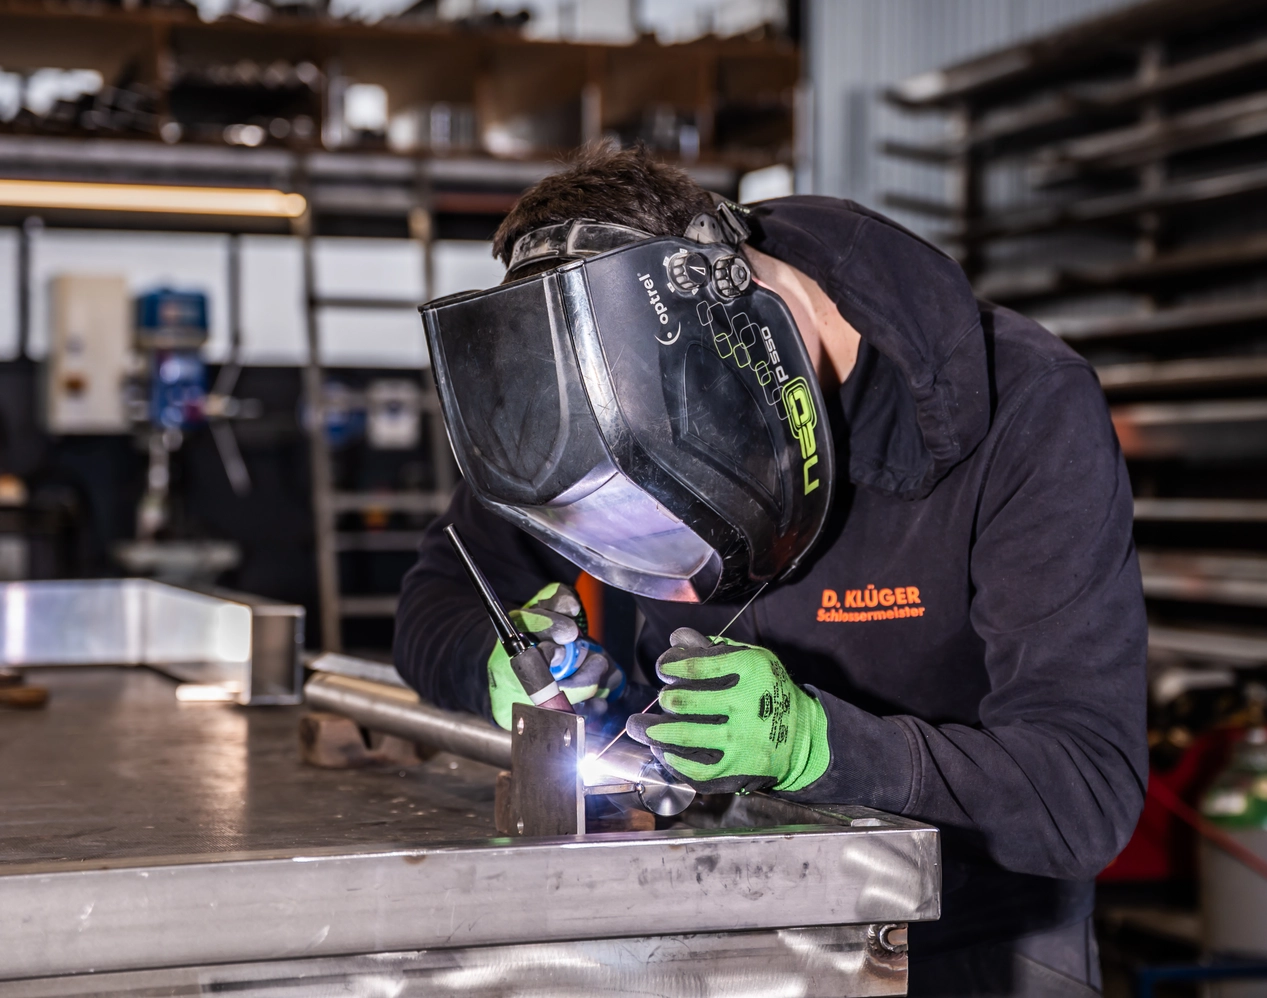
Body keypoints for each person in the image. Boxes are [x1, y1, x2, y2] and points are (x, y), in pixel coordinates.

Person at [395, 145, 1146, 997]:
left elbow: (1084, 796)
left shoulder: (1029, 409)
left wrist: (819, 748)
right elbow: (437, 601)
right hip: (722, 917)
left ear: (744, 349)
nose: (677, 595)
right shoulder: (595, 394)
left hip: (974, 942)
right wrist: (493, 664)